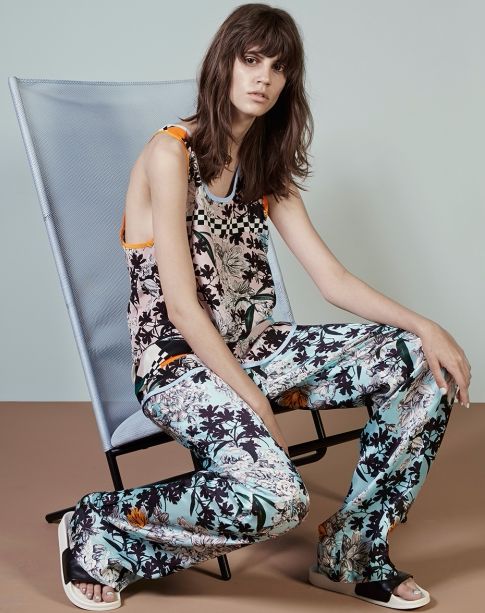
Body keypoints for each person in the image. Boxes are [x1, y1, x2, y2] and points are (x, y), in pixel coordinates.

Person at [58, 3, 471, 610]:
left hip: (260, 348)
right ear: (222, 65)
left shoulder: (264, 167)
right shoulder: (170, 153)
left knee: (419, 360)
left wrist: (427, 326)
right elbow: (182, 308)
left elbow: (332, 279)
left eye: (279, 68)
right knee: (279, 498)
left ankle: (351, 553)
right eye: (251, 60)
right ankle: (103, 527)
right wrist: (254, 401)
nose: (264, 78)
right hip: (178, 364)